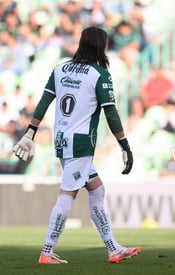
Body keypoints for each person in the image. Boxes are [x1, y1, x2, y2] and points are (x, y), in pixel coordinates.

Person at [13, 26, 139, 264]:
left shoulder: (60, 69)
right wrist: (124, 145)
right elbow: (111, 114)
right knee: (67, 193)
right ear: (100, 46)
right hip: (81, 143)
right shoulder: (100, 75)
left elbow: (44, 101)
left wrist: (30, 132)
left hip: (62, 140)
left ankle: (113, 248)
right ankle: (47, 251)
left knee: (97, 189)